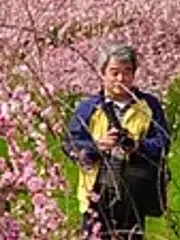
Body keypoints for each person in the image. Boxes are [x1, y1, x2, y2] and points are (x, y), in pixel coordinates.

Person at [66, 44, 172, 239]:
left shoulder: (148, 105)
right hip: (95, 192)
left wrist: (137, 146)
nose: (121, 79)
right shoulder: (88, 108)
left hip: (135, 190)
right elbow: (71, 143)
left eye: (127, 72)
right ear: (102, 73)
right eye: (114, 73)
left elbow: (162, 142)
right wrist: (97, 147)